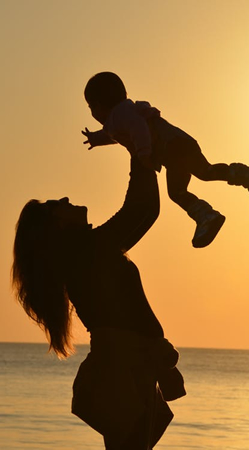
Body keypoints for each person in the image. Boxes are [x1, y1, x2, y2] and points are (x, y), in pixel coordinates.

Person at [11, 154, 185, 449]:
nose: (65, 198)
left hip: (130, 367)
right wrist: (137, 147)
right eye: (56, 207)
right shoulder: (88, 251)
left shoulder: (92, 251)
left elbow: (147, 212)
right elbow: (140, 209)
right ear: (57, 228)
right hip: (122, 370)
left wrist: (142, 153)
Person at [82, 71, 249, 248]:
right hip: (175, 149)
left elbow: (138, 128)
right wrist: (96, 139)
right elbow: (113, 134)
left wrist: (144, 153)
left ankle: (213, 210)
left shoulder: (120, 115)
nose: (92, 113)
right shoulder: (121, 116)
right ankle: (220, 202)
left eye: (91, 107)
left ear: (99, 105)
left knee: (192, 181)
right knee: (197, 178)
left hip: (174, 147)